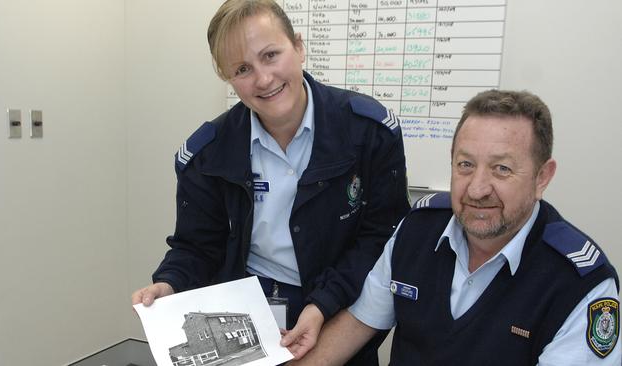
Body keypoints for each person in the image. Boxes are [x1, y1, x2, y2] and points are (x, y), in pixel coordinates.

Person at [130, 0, 409, 364]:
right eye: (243, 68)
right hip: (248, 319)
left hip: (338, 306)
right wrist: (170, 283)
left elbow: (382, 238)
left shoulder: (369, 132)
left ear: (299, 46)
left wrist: (323, 303)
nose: (263, 79)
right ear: (226, 76)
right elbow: (197, 247)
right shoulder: (206, 156)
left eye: (271, 55)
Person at [284, 90, 620, 365]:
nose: (476, 189)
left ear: (542, 177)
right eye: (465, 165)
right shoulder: (416, 231)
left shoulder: (581, 284)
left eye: (501, 169)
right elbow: (356, 325)